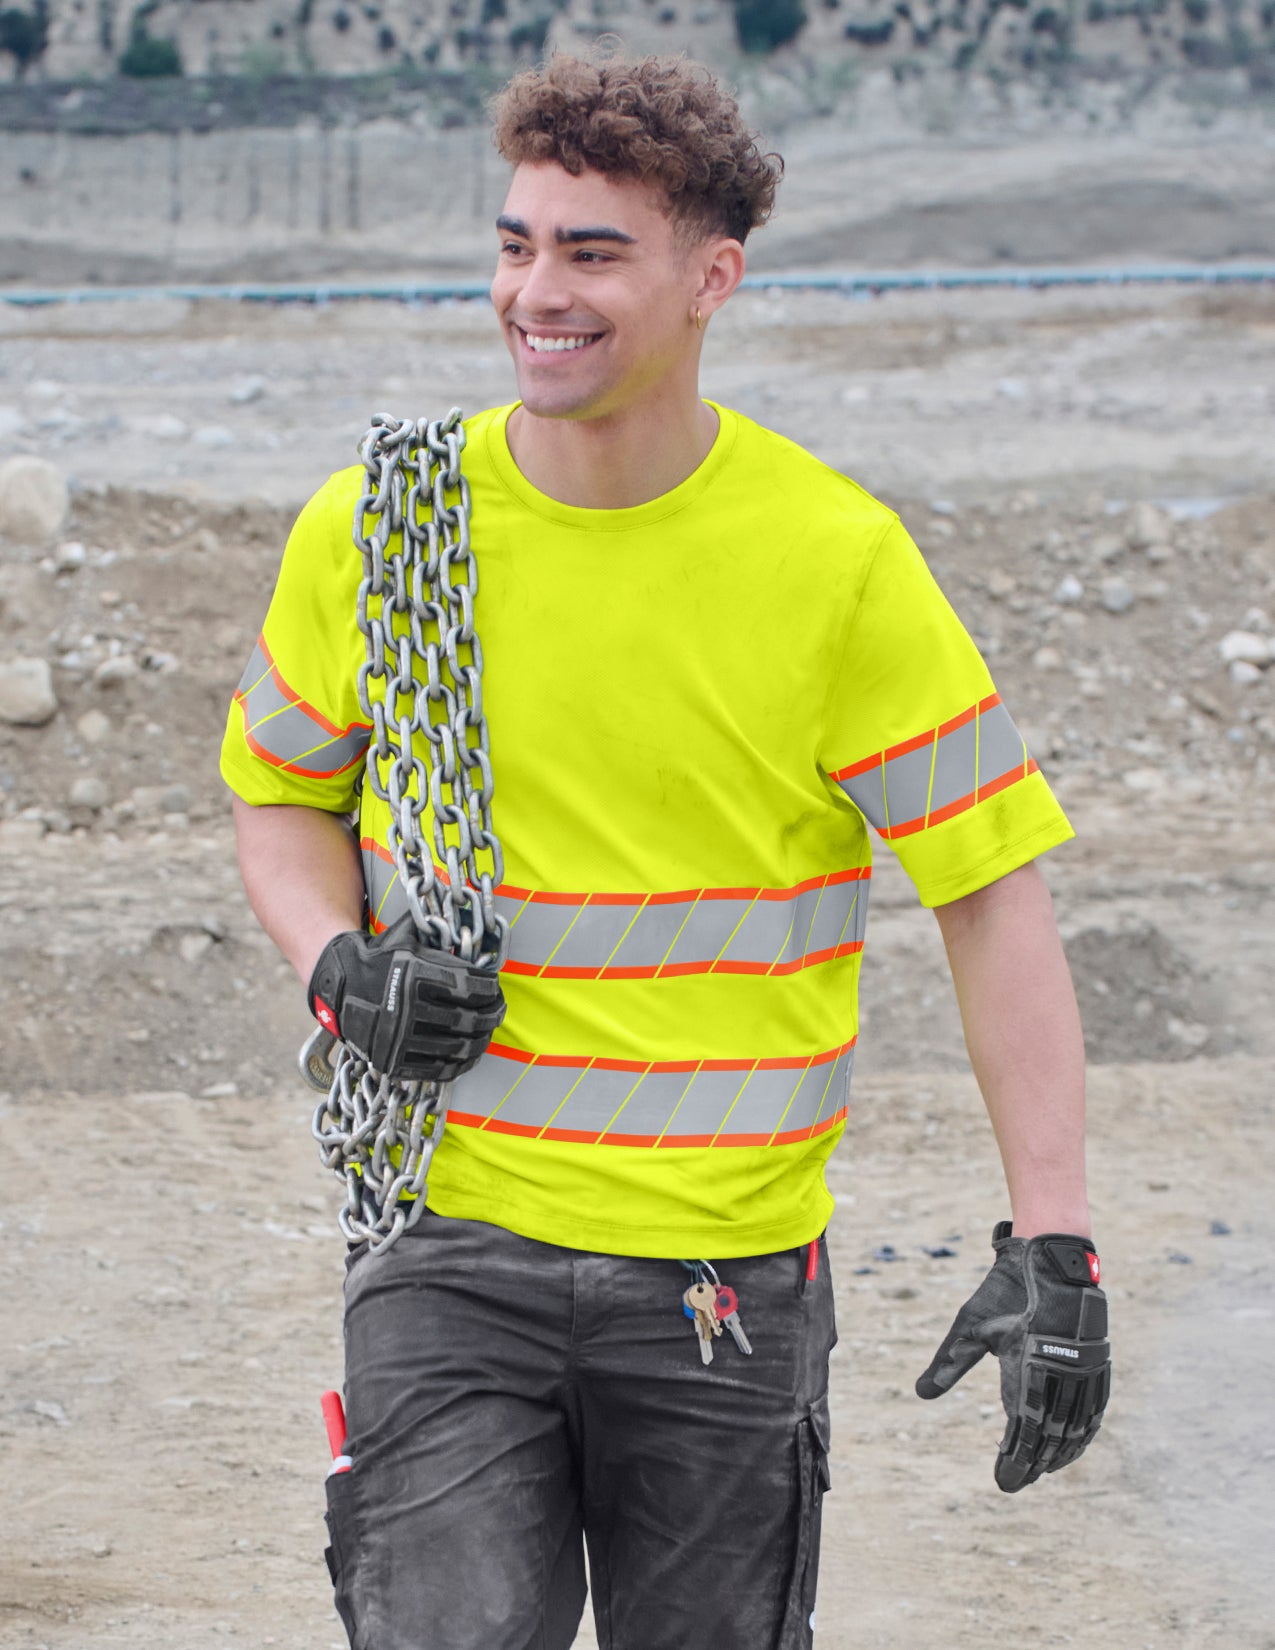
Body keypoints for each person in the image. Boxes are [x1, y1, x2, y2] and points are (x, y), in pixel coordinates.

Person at [220, 50, 1110, 1650]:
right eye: (515, 245)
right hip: (446, 1239)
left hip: (726, 1276)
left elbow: (988, 896)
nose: (535, 293)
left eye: (592, 252)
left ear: (714, 279)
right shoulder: (385, 528)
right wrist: (340, 966)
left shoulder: (834, 562)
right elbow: (280, 796)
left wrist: (1056, 1243)